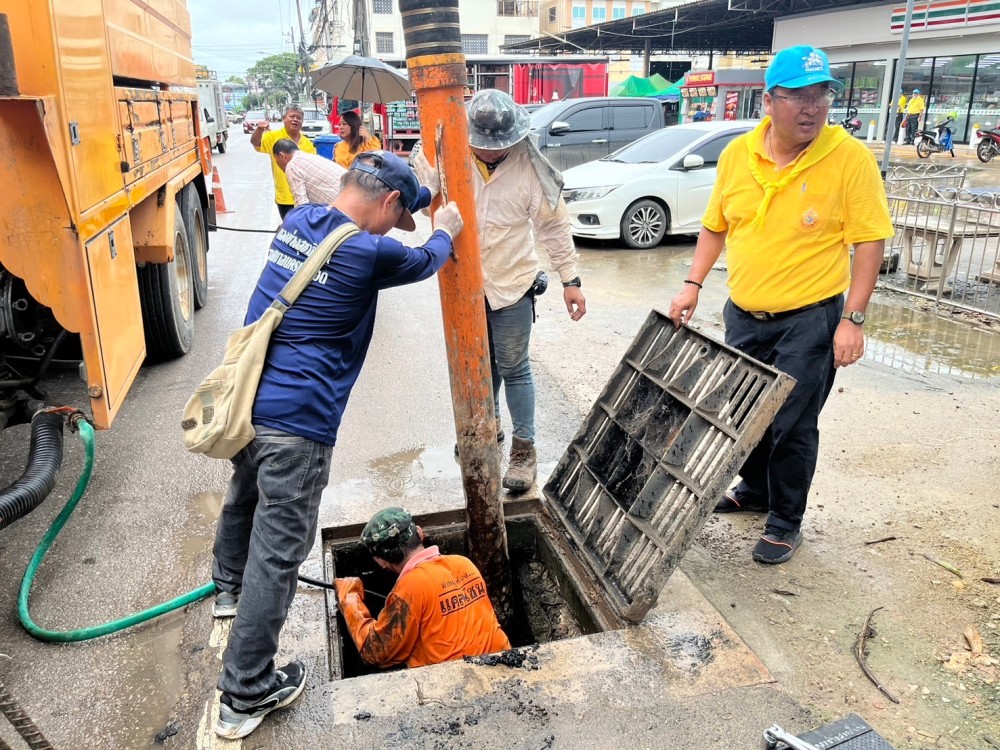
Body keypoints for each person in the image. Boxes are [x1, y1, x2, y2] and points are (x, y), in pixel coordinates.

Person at [210, 151, 464, 740]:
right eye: (397, 217)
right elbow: (428, 259)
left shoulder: (299, 221)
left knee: (244, 494)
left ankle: (227, 589)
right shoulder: (366, 252)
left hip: (250, 403)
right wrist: (446, 226)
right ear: (390, 202)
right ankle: (244, 693)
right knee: (278, 555)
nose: (392, 230)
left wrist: (426, 191)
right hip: (299, 424)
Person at [666, 45, 894, 565]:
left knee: (793, 421)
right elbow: (715, 226)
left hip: (810, 319)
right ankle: (757, 488)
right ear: (769, 100)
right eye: (798, 95)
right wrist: (692, 284)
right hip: (745, 314)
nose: (812, 107)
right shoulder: (738, 154)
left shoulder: (848, 158)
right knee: (746, 413)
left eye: (821, 94)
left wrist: (853, 319)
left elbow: (870, 241)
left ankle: (785, 519)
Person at [412, 89, 586, 492]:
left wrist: (571, 281)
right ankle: (484, 428)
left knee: (513, 365)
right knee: (478, 364)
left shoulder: (528, 165)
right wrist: (426, 184)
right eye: (483, 144)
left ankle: (525, 449)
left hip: (512, 283)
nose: (491, 151)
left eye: (500, 145)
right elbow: (423, 208)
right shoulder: (447, 155)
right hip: (463, 285)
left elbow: (553, 227)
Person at [335, 507, 511, 669]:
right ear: (420, 533)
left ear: (380, 561)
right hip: (505, 663)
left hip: (458, 680)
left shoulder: (410, 589)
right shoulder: (464, 563)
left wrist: (349, 597)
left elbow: (376, 651)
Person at [250, 104, 317, 219]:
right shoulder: (273, 137)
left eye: (299, 118)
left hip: (305, 197)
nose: (295, 120)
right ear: (284, 118)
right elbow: (255, 142)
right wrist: (260, 129)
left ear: (302, 122)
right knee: (290, 226)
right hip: (285, 198)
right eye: (292, 116)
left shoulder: (308, 143)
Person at [272, 138, 348, 206]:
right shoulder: (309, 157)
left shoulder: (292, 165)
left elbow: (301, 204)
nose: (277, 163)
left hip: (344, 208)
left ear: (282, 156)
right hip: (351, 197)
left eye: (276, 159)